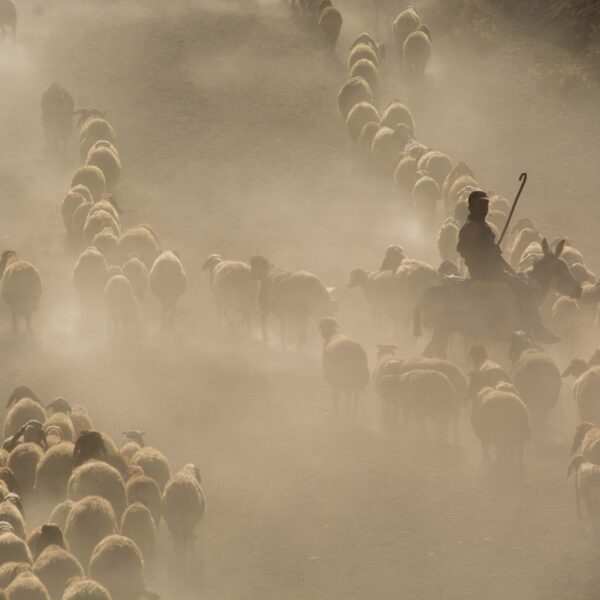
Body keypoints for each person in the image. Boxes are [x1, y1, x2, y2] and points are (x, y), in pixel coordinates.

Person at [457, 190, 560, 343]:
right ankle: (537, 328)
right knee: (523, 288)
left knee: (519, 281)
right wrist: (485, 253)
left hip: (492, 269)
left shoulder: (481, 225)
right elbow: (463, 249)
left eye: (486, 204)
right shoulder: (471, 227)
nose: (484, 208)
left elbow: (496, 256)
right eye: (481, 204)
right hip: (484, 272)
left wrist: (511, 271)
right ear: (472, 206)